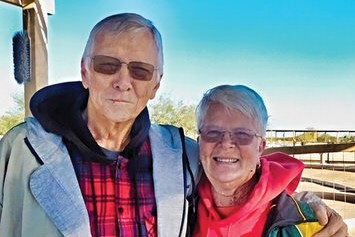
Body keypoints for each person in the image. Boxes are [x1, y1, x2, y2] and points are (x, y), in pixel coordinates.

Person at [0, 13, 347, 237]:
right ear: (85, 71)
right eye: (108, 65)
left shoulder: (180, 154)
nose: (123, 81)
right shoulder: (22, 150)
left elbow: (245, 174)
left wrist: (307, 206)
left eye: (140, 70)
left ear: (156, 85)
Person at [192, 84, 348, 237]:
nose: (226, 144)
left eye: (242, 134)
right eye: (212, 132)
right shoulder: (180, 201)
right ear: (199, 142)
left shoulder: (305, 226)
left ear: (260, 147)